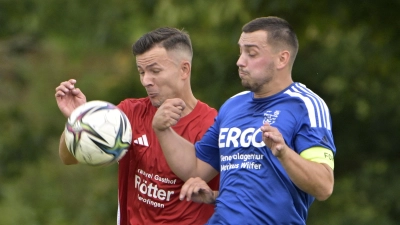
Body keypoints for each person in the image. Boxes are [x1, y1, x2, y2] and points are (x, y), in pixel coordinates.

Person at [152, 16, 336, 224]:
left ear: (282, 59)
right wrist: (163, 130)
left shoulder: (306, 105)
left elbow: (324, 186)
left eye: (251, 53)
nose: (240, 61)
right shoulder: (232, 106)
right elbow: (196, 168)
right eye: (240, 51)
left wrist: (284, 153)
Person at [54, 27, 219, 225]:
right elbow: (68, 157)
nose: (145, 81)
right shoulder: (130, 113)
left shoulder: (214, 125)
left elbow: (237, 193)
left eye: (155, 71)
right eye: (141, 72)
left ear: (184, 69)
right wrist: (79, 120)